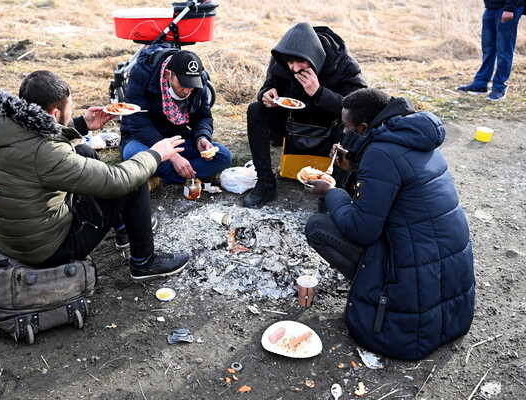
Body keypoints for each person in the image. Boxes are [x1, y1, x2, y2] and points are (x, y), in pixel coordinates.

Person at [303, 88, 475, 360]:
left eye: (350, 130)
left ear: (363, 127)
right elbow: (395, 181)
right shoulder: (414, 135)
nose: (347, 135)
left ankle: (372, 287)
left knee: (317, 226)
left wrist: (332, 193)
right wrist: (355, 163)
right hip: (443, 266)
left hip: (414, 278)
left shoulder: (380, 154)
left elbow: (361, 228)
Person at [0, 70, 189, 282]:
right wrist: (156, 155)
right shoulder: (46, 153)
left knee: (84, 152)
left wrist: (82, 125)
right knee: (133, 179)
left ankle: (123, 226)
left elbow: (34, 142)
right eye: (69, 106)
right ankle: (145, 263)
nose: (72, 110)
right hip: (46, 251)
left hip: (15, 237)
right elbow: (115, 180)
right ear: (54, 114)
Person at [242, 22, 367, 208]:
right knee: (256, 109)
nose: (294, 68)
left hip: (330, 125)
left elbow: (359, 107)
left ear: (314, 56)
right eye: (290, 62)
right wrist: (267, 94)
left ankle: (333, 193)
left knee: (352, 129)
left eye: (300, 61)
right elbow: (270, 84)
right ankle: (266, 183)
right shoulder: (282, 62)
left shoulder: (343, 64)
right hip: (292, 119)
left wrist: (318, 92)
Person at [120, 45, 232, 188]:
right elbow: (138, 123)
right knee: (132, 153)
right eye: (182, 84)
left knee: (223, 156)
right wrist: (173, 157)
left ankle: (159, 180)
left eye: (191, 85)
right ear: (168, 74)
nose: (186, 91)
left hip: (178, 138)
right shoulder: (143, 74)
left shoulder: (200, 80)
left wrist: (201, 138)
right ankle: (193, 170)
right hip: (143, 139)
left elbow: (203, 117)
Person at [457, 0, 525, 101]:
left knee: (504, 49)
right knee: (488, 48)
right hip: (491, 6)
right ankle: (480, 84)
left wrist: (510, 8)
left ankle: (499, 88)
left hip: (508, 7)